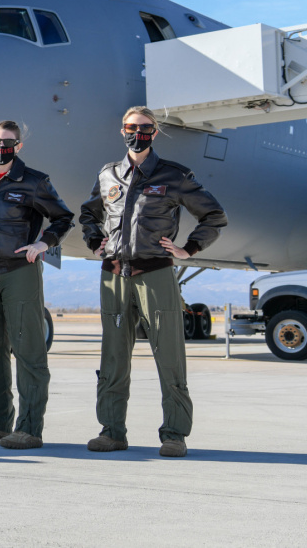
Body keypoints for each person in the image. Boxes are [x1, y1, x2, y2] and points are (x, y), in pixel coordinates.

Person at [79, 106, 227, 457]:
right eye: (131, 127)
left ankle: (174, 434)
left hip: (156, 275)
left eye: (145, 128)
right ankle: (111, 431)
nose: (138, 133)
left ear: (155, 133)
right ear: (122, 130)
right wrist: (93, 239)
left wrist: (188, 249)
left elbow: (213, 215)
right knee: (113, 356)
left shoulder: (173, 175)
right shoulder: (108, 175)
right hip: (113, 275)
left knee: (170, 355)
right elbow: (89, 213)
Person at [0, 120, 74, 450]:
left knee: (28, 350)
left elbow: (63, 217)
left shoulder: (34, 182)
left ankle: (29, 427)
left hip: (20, 271)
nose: (2, 147)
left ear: (18, 146)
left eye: (9, 142)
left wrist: (44, 244)